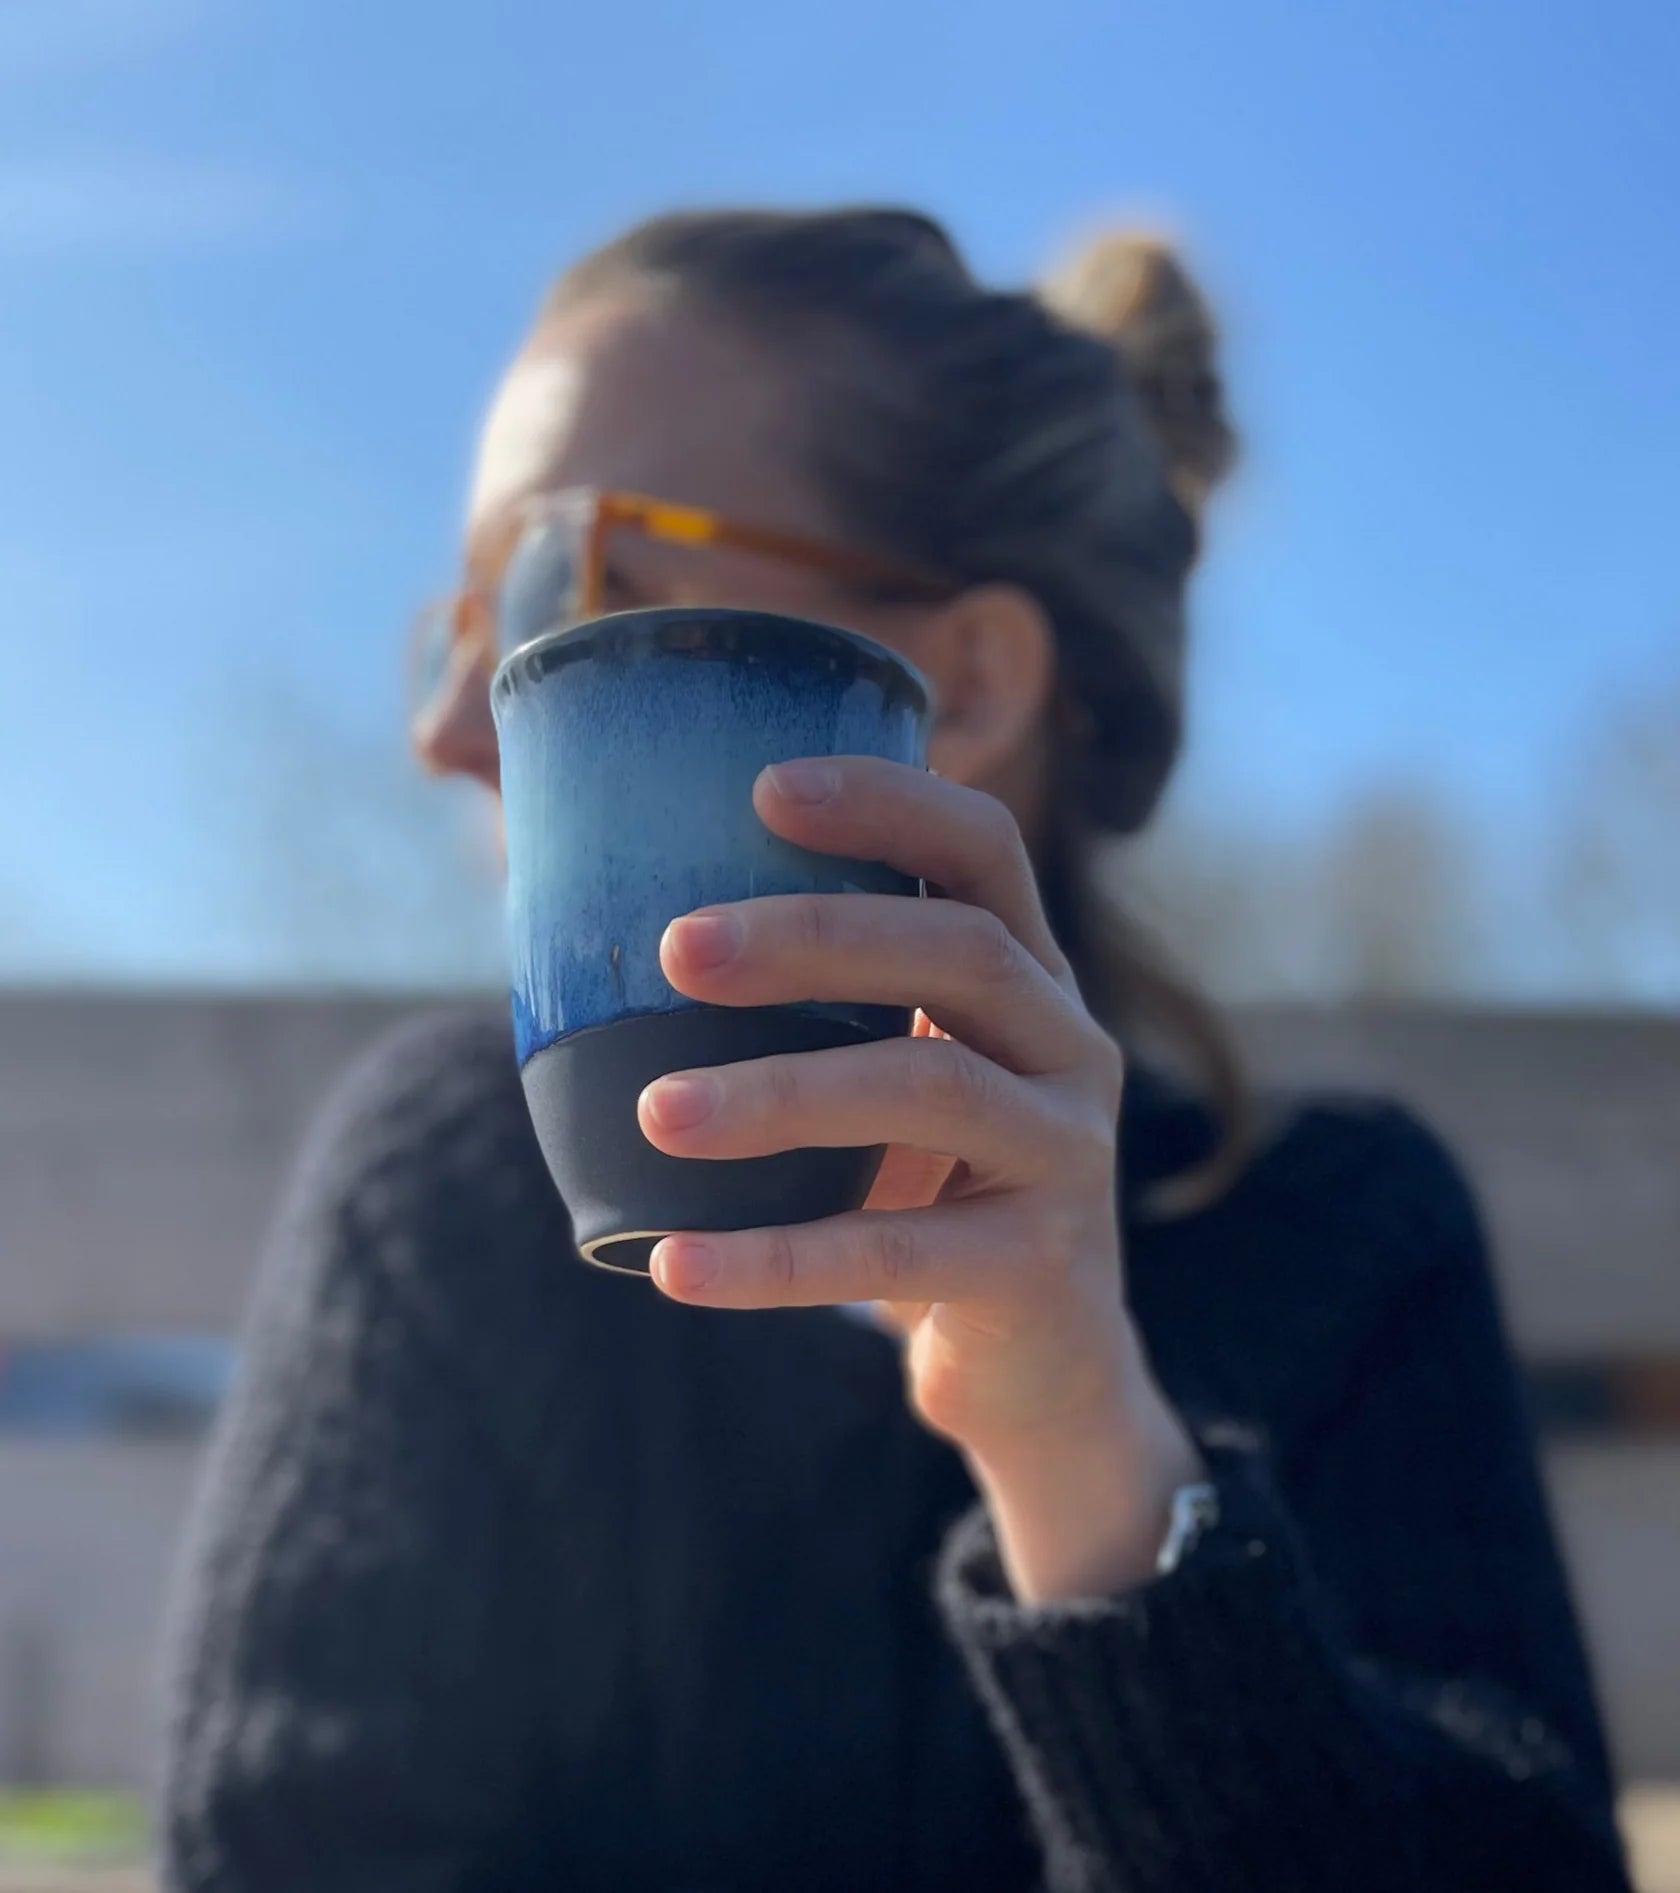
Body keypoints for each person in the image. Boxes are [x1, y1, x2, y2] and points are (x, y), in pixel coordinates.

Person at [161, 208, 1630, 1893]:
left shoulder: (1345, 1235)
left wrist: (1089, 1460)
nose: (447, 727)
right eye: (468, 618)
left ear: (969, 681)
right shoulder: (450, 1193)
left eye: (566, 577)